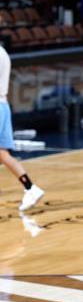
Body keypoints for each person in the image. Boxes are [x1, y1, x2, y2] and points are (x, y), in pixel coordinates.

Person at [0, 43, 45, 211]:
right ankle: (30, 188)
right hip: (3, 105)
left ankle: (31, 188)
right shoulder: (3, 52)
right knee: (2, 154)